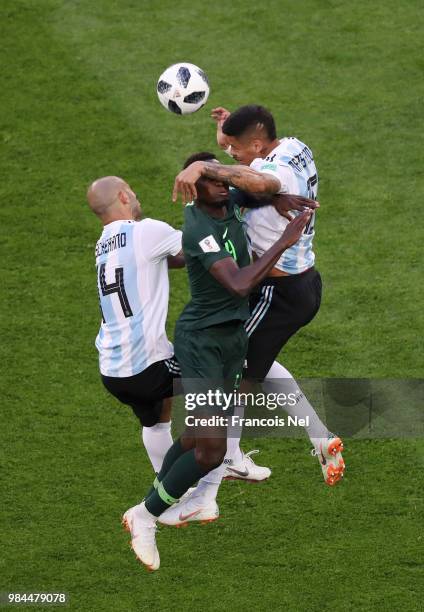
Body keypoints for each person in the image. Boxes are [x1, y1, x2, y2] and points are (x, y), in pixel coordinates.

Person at [122, 153, 311, 571]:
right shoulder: (199, 226)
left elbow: (256, 190)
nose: (223, 183)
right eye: (211, 178)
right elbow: (240, 284)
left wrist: (276, 201)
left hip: (230, 342)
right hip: (203, 343)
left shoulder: (227, 200)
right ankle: (145, 515)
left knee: (194, 439)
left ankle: (159, 500)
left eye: (224, 176)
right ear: (195, 187)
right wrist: (284, 240)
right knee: (211, 450)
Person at [172, 107, 345, 489]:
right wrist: (226, 130)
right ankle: (319, 437)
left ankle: (223, 464)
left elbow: (263, 183)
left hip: (276, 292)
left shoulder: (269, 175)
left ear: (256, 144)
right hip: (302, 284)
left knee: (235, 369)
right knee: (259, 364)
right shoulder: (295, 147)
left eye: (234, 149)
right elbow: (257, 181)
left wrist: (205, 170)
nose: (229, 156)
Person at [87, 176, 184, 474]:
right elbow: (204, 248)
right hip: (146, 367)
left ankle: (166, 492)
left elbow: (164, 261)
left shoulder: (103, 245)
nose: (136, 193)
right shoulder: (147, 231)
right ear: (123, 197)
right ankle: (230, 458)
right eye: (132, 189)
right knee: (225, 371)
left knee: (157, 418)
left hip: (113, 373)